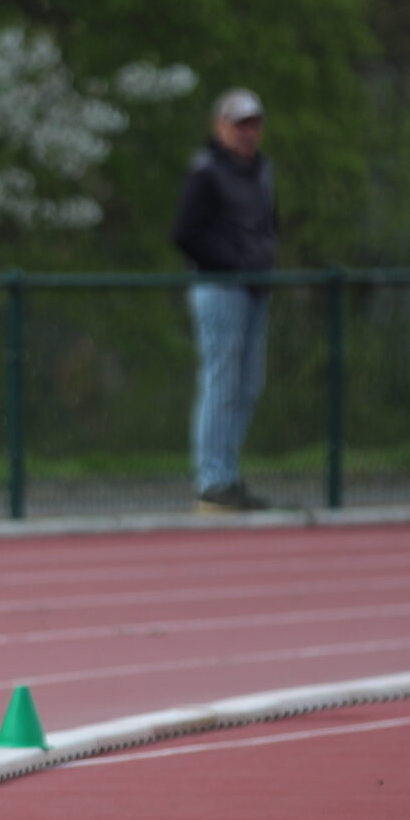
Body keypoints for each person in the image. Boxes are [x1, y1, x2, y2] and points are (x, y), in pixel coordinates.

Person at [171, 87, 279, 513]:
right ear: (220, 127)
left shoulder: (262, 171)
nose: (247, 133)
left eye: (253, 125)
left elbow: (268, 223)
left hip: (254, 289)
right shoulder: (206, 171)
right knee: (221, 383)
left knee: (248, 385)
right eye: (239, 125)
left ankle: (228, 475)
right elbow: (184, 233)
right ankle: (212, 480)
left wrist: (263, 260)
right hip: (218, 288)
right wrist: (231, 261)